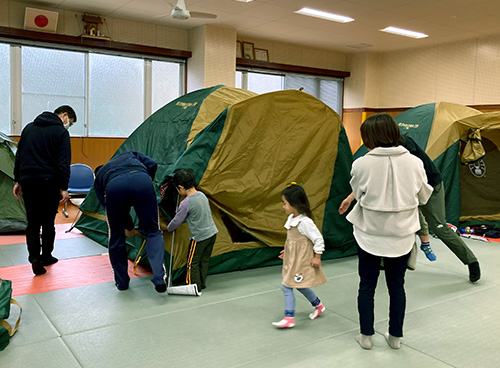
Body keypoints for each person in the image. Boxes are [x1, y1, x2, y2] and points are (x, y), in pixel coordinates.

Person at [344, 113, 433, 350]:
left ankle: (365, 337)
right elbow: (424, 197)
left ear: (368, 138)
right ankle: (395, 338)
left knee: (366, 286)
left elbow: (357, 193)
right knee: (397, 286)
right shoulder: (415, 162)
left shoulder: (361, 163)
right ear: (395, 133)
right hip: (402, 236)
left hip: (368, 235)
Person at [340, 134, 481, 282]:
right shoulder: (378, 154)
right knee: (390, 220)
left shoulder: (405, 147)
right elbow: (364, 181)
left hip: (430, 186)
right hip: (406, 190)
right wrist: (350, 198)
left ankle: (471, 261)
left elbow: (413, 177)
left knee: (439, 227)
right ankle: (385, 260)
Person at [13, 105, 77, 276]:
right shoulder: (61, 133)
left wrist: (17, 180)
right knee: (48, 223)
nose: (67, 126)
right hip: (49, 183)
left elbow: (19, 156)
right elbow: (63, 163)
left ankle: (34, 258)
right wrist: (64, 187)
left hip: (28, 181)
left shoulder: (28, 128)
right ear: (64, 116)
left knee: (32, 223)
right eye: (69, 122)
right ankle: (46, 256)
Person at [94, 151, 166, 293]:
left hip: (114, 187)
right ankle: (159, 278)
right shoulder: (129, 154)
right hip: (142, 180)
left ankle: (122, 283)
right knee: (153, 231)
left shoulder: (99, 181)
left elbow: (111, 209)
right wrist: (146, 182)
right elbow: (153, 164)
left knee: (116, 236)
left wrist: (128, 225)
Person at [272, 183, 328, 329]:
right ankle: (318, 305)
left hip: (302, 261)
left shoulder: (305, 223)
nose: (283, 207)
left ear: (295, 204)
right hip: (294, 259)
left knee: (287, 286)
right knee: (300, 286)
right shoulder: (292, 219)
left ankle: (289, 317)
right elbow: (293, 242)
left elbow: (318, 239)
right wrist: (288, 252)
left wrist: (317, 257)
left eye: (285, 203)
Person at [166, 169, 218, 292]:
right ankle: (201, 283)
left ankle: (193, 286)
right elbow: (194, 216)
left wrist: (168, 227)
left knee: (192, 263)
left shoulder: (186, 203)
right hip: (212, 234)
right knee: (203, 261)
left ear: (181, 187)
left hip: (199, 237)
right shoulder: (202, 195)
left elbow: (176, 222)